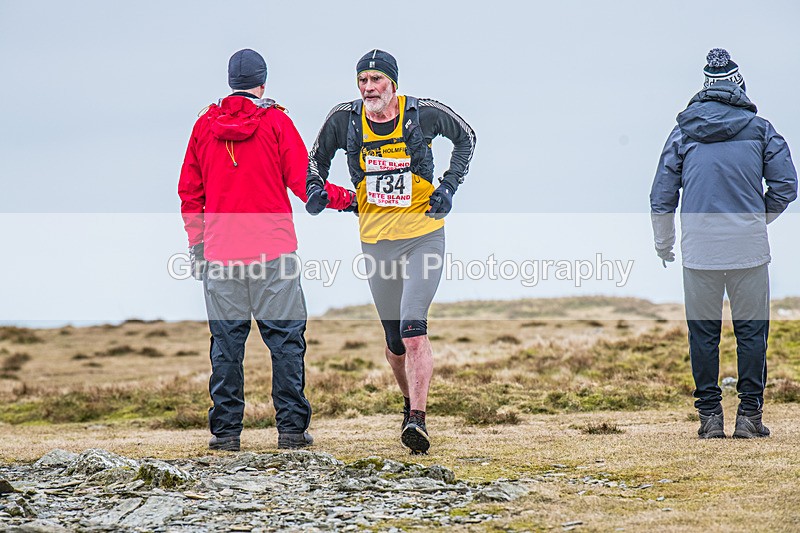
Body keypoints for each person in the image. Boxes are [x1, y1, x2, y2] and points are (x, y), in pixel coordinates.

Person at [179, 49, 355, 451]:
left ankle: (225, 435)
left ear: (230, 81)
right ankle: (292, 431)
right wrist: (352, 200)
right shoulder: (276, 121)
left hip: (221, 255)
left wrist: (197, 245)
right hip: (273, 254)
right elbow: (304, 182)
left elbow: (190, 193)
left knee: (226, 344)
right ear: (263, 82)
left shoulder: (204, 125)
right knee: (286, 340)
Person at [305, 49, 476, 454]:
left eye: (376, 81)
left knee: (413, 329)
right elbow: (316, 160)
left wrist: (449, 187)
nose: (369, 89)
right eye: (362, 81)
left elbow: (465, 137)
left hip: (423, 235)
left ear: (392, 84)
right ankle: (407, 402)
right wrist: (315, 189)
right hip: (377, 241)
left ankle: (418, 420)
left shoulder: (421, 114)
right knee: (394, 342)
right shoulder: (344, 120)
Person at [650, 48, 797, 439]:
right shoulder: (761, 129)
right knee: (752, 333)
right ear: (738, 85)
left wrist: (664, 244)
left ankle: (709, 419)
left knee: (703, 333)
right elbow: (786, 186)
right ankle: (749, 417)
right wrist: (755, 220)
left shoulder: (682, 132)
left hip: (700, 251)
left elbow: (662, 195)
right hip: (748, 248)